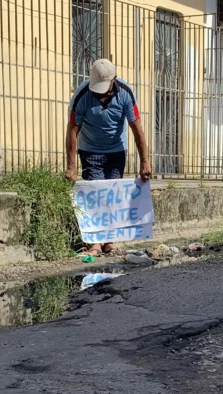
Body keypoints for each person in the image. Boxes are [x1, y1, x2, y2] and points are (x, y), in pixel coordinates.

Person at [65, 59, 152, 257]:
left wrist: (144, 162)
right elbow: (72, 131)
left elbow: (137, 130)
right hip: (90, 149)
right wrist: (71, 167)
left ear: (113, 80)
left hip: (116, 150)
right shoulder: (82, 96)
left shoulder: (125, 94)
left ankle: (109, 240)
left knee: (112, 194)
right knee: (96, 193)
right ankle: (95, 242)